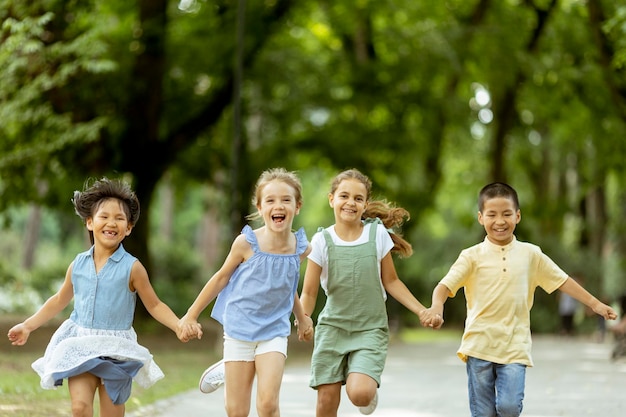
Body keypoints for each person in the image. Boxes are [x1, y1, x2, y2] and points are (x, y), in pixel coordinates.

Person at [7, 177, 199, 417]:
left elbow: (155, 304)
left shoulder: (133, 268)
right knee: (80, 408)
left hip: (117, 349)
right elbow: (58, 300)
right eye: (104, 216)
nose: (111, 222)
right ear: (90, 222)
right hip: (82, 344)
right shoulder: (78, 264)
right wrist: (27, 326)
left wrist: (178, 325)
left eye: (119, 218)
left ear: (128, 228)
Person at [426, 182, 617, 417]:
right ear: (480, 217)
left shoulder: (531, 254)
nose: (499, 221)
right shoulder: (471, 256)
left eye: (507, 214)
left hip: (515, 345)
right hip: (478, 345)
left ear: (517, 216)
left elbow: (562, 280)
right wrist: (437, 306)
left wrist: (595, 304)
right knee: (483, 412)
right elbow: (445, 285)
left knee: (509, 407)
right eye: (492, 214)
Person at [299, 168, 441, 417]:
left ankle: (367, 389)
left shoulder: (377, 235)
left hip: (369, 329)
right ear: (332, 199)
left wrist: (421, 310)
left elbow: (392, 281)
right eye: (344, 196)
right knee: (325, 402)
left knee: (360, 393)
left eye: (357, 198)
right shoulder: (322, 240)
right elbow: (309, 293)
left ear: (365, 204)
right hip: (333, 328)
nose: (350, 203)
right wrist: (303, 319)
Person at [178, 167, 314, 417]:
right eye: (271, 200)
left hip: (273, 330)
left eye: (286, 199)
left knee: (268, 405)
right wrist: (190, 315)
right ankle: (229, 367)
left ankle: (235, 369)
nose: (279, 205)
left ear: (297, 206)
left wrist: (302, 316)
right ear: (260, 208)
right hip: (240, 329)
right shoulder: (246, 243)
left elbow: (286, 284)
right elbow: (220, 279)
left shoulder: (300, 248)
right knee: (236, 411)